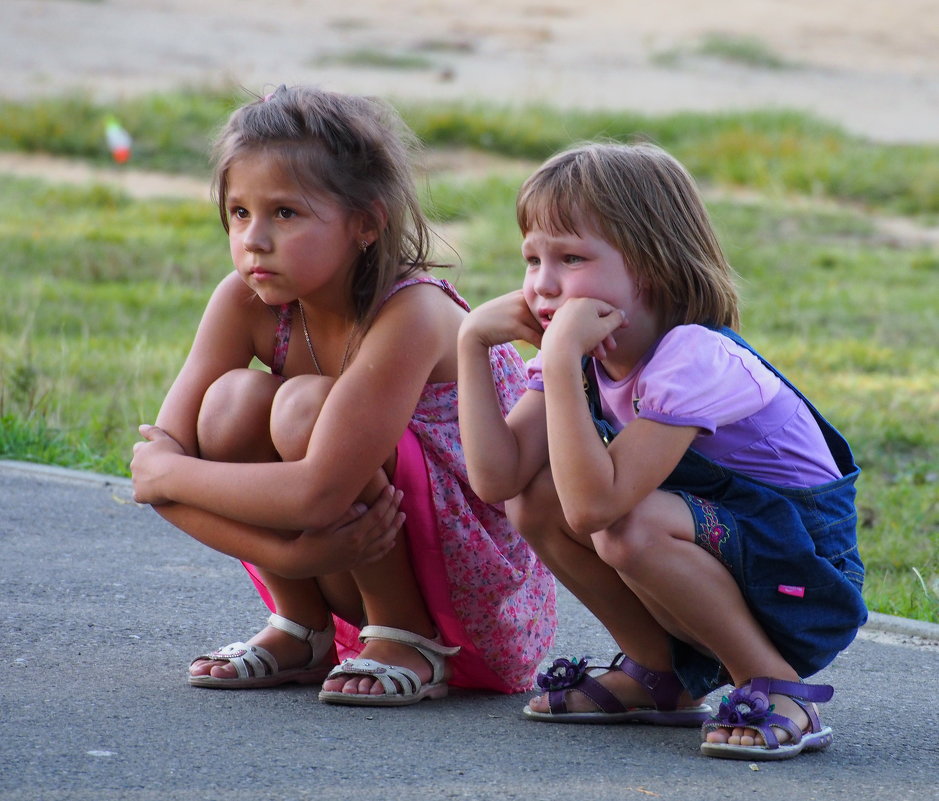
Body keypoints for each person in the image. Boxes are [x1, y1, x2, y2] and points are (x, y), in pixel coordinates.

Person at [130, 85, 556, 706]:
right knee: (227, 404)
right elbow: (157, 469)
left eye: (285, 213)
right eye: (240, 212)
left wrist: (168, 472)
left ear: (366, 222)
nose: (254, 239)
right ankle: (300, 628)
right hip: (335, 552)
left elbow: (310, 491)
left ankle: (405, 635)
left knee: (305, 406)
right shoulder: (243, 300)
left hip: (472, 596)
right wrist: (290, 553)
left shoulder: (413, 311)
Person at [457, 141, 867, 759]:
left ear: (651, 267)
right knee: (535, 501)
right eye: (532, 258)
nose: (542, 285)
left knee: (626, 523)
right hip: (716, 546)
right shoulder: (585, 353)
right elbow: (497, 480)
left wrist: (564, 360)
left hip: (803, 575)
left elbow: (597, 509)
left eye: (571, 258)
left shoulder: (694, 358)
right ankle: (660, 676)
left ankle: (778, 688)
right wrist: (471, 345)